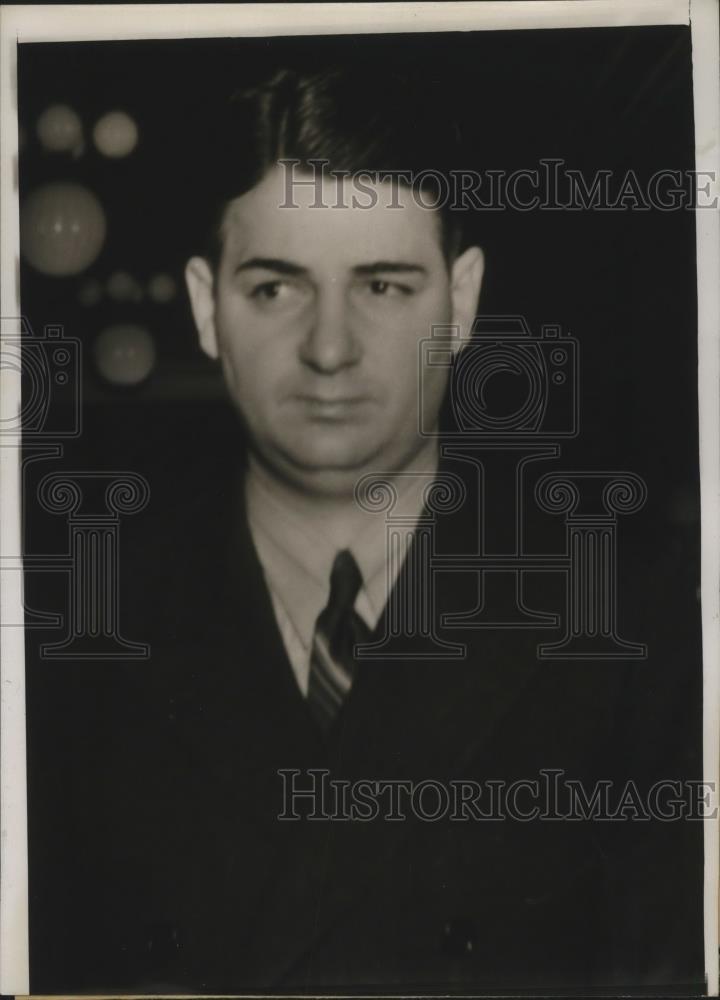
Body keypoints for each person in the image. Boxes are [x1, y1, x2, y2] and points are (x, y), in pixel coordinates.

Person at [26, 61, 704, 995]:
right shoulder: (63, 628)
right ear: (203, 305)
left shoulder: (636, 614)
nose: (330, 346)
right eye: (276, 288)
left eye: (383, 287)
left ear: (460, 303)